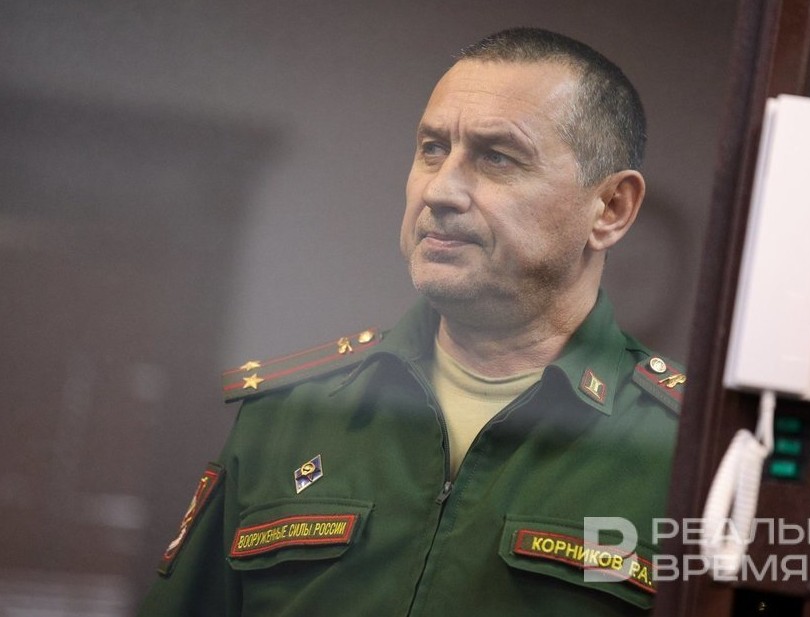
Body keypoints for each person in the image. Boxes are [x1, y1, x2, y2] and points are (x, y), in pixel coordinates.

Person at [138, 27, 685, 616]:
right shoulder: (292, 413)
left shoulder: (689, 454)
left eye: (497, 157)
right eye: (432, 148)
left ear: (610, 209)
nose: (441, 190)